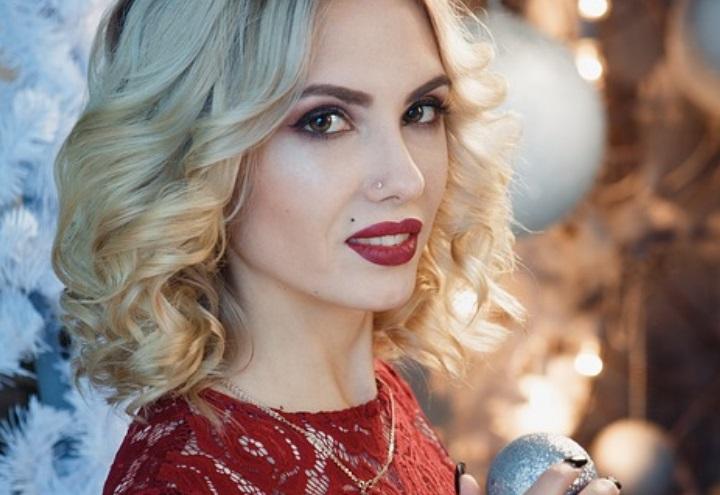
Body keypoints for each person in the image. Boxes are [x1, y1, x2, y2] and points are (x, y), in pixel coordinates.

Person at [52, 0, 622, 493]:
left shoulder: (378, 396)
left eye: (420, 111)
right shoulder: (187, 480)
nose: (405, 178)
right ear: (196, 158)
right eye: (325, 121)